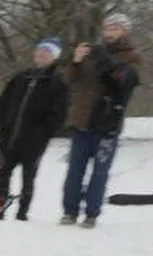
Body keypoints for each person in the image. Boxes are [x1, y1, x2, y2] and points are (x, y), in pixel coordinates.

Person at [61, 14, 143, 227]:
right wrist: (77, 60)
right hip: (82, 120)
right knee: (74, 170)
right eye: (107, 27)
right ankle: (69, 211)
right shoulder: (92, 51)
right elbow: (70, 79)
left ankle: (91, 214)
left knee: (100, 172)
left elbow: (125, 82)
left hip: (108, 123)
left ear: (124, 31)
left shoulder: (132, 56)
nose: (109, 32)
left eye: (115, 28)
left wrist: (105, 62)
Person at [0, 38, 69, 222]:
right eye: (39, 51)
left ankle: (22, 213)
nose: (41, 55)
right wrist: (1, 127)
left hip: (33, 141)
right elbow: (1, 104)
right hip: (9, 137)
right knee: (3, 173)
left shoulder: (57, 82)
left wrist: (42, 134)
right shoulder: (21, 78)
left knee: (28, 177)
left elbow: (58, 115)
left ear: (54, 57)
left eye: (47, 52)